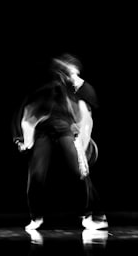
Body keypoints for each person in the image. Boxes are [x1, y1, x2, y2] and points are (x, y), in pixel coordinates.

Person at [15, 54, 107, 232]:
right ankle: (36, 217)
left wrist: (83, 145)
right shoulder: (45, 88)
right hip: (43, 132)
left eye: (69, 71)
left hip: (65, 129)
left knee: (79, 170)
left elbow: (88, 113)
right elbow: (28, 113)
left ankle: (88, 216)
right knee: (37, 174)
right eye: (63, 70)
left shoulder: (77, 88)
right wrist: (24, 140)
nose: (66, 74)